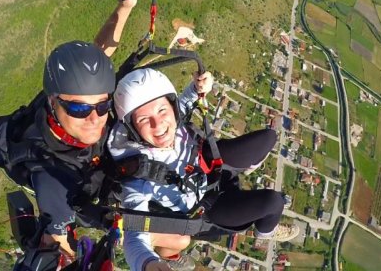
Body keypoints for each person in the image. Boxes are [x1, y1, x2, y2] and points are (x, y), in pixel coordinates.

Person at [1, 0, 142, 259]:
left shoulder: (64, 94)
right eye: (80, 109)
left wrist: (124, 7)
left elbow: (98, 54)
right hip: (76, 183)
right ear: (54, 103)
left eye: (102, 106)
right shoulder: (52, 178)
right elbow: (58, 244)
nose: (94, 118)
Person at [109, 68, 299, 271]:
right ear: (132, 130)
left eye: (162, 111)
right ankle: (264, 232)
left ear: (171, 107)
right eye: (144, 120)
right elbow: (133, 236)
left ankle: (247, 170)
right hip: (209, 207)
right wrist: (148, 264)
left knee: (268, 138)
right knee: (273, 203)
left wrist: (198, 87)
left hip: (210, 168)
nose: (158, 124)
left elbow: (184, 102)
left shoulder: (173, 116)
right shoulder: (137, 173)